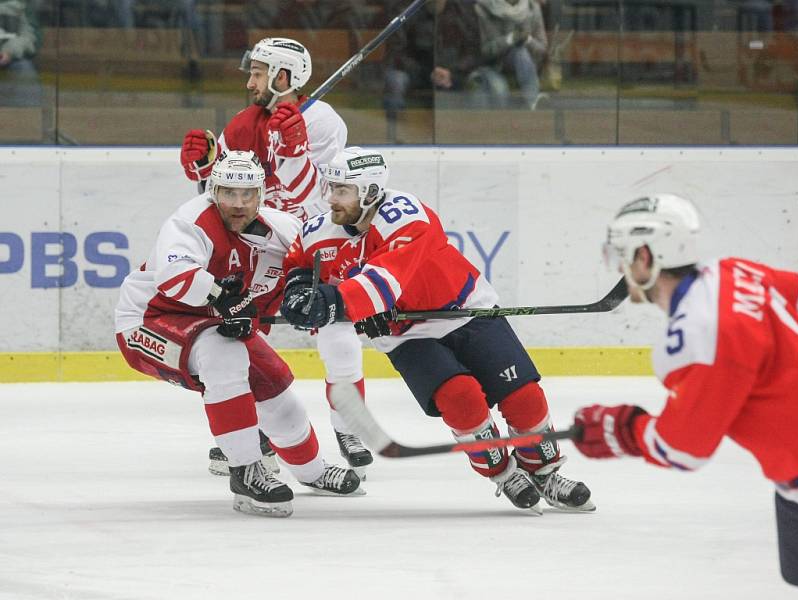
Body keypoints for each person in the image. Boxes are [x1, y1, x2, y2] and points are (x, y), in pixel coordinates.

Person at [279, 146, 595, 514]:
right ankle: (503, 472)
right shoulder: (319, 230)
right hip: (406, 333)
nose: (331, 198)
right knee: (460, 398)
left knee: (523, 396)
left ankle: (544, 470)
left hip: (466, 310)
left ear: (368, 193)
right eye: (330, 187)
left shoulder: (405, 215)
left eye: (342, 190)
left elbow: (387, 279)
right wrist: (299, 292)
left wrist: (339, 302)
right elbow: (300, 264)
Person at [115, 150, 363, 518]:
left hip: (214, 325)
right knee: (223, 354)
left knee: (276, 388)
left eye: (247, 195)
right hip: (148, 322)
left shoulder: (282, 231)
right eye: (228, 193)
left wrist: (350, 300)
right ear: (213, 190)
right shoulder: (190, 221)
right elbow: (173, 278)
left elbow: (328, 267)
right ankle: (245, 469)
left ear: (262, 195)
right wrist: (222, 299)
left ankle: (311, 472)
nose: (237, 203)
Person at [570, 194, 798, 586]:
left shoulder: (700, 334)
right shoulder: (733, 271)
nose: (623, 269)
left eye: (624, 257)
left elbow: (683, 448)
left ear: (645, 257)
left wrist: (624, 429)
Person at [179, 37, 374, 478]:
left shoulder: (323, 122)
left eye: (258, 73)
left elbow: (322, 198)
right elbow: (226, 200)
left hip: (309, 241)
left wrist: (292, 153)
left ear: (284, 77)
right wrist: (203, 172)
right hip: (259, 244)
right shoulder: (243, 125)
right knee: (239, 334)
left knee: (337, 330)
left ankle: (349, 425)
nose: (250, 82)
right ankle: (255, 432)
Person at [472, 0, 548, 110]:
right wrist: (509, 39)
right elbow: (485, 51)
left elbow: (542, 50)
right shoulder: (484, 9)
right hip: (493, 67)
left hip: (526, 68)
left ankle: (532, 103)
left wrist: (528, 40)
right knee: (499, 90)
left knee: (520, 52)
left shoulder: (532, 8)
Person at [0, 0, 42, 108]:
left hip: (11, 58)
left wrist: (9, 52)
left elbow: (30, 36)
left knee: (24, 69)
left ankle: (28, 119)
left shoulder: (21, 4)